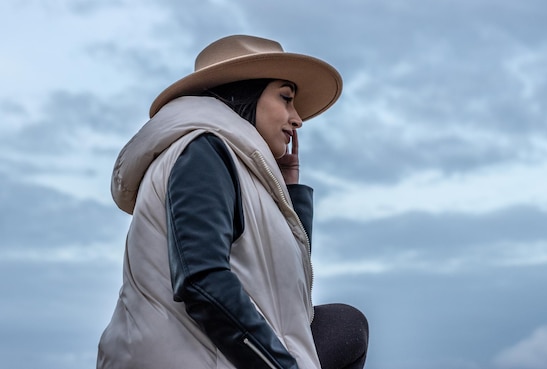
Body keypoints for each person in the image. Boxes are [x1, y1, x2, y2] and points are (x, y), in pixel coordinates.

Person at [97, 35, 369, 369]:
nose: (297, 118)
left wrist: (288, 194)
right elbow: (202, 280)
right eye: (286, 98)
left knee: (347, 325)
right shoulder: (202, 149)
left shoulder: (229, 163)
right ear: (244, 92)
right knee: (347, 326)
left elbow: (285, 302)